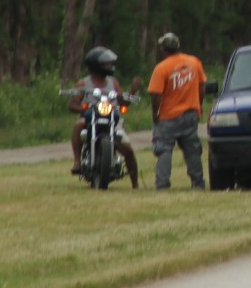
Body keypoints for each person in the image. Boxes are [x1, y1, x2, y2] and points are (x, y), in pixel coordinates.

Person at [146, 32, 208, 190]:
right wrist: (199, 105)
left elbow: (156, 94)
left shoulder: (161, 68)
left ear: (164, 50)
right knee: (192, 150)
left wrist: (156, 113)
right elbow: (202, 86)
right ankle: (198, 183)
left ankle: (162, 184)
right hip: (191, 114)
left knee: (164, 149)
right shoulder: (194, 62)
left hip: (168, 117)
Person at [69, 46, 138, 184]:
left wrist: (132, 91)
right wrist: (85, 108)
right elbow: (72, 105)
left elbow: (122, 102)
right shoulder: (83, 83)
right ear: (96, 65)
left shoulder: (113, 82)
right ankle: (77, 162)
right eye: (106, 64)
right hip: (90, 118)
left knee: (128, 149)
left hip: (112, 119)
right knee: (78, 125)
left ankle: (135, 183)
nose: (109, 66)